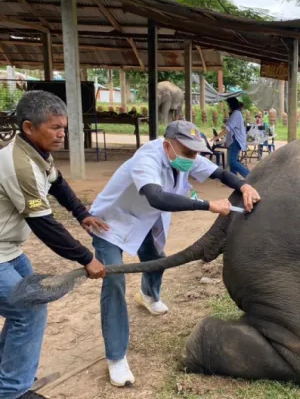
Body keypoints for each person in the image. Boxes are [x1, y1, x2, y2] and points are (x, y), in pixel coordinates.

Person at [88, 120, 261, 387]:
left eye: (196, 153)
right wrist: (207, 204)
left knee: (157, 260)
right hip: (112, 222)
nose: (193, 158)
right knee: (114, 282)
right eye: (188, 152)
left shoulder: (186, 157)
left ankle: (148, 294)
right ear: (168, 145)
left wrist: (243, 186)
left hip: (145, 221)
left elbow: (219, 173)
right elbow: (157, 197)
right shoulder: (147, 158)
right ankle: (116, 357)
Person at [0, 90, 107, 399]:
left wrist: (82, 213)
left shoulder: (37, 154)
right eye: (54, 128)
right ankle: (12, 392)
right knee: (28, 312)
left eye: (64, 127)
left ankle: (8, 377)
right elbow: (44, 225)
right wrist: (87, 258)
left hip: (9, 251)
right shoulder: (19, 165)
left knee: (26, 309)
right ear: (29, 127)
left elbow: (57, 181)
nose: (62, 134)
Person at [211, 97, 249, 178]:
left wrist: (217, 137)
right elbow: (229, 128)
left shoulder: (236, 114)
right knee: (233, 161)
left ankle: (248, 175)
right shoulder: (236, 113)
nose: (228, 106)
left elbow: (228, 129)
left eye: (228, 104)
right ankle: (233, 179)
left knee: (232, 161)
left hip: (236, 140)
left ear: (231, 105)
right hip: (234, 140)